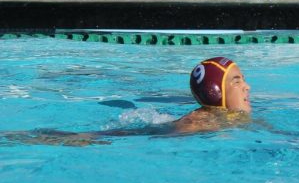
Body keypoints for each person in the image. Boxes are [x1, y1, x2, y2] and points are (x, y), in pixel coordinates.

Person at [2, 56, 253, 145]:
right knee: (91, 138)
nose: (247, 87)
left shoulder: (225, 119)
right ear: (216, 91)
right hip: (140, 134)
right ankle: (28, 137)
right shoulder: (201, 121)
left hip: (152, 127)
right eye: (237, 81)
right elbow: (161, 139)